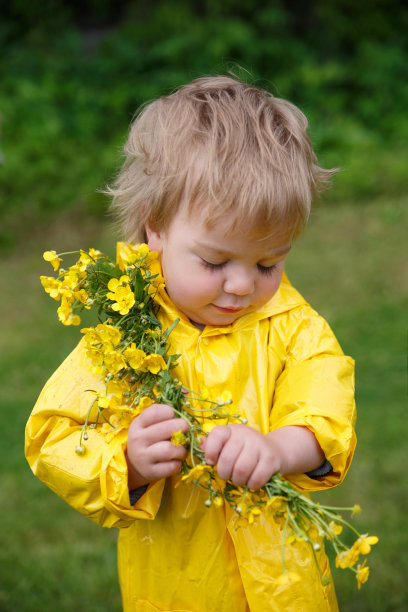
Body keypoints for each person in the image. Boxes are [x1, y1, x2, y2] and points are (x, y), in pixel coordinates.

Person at [25, 75, 356, 611]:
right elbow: (53, 436)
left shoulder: (294, 326)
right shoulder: (126, 334)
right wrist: (127, 463)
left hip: (284, 587)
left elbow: (326, 414)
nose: (244, 285)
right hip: (178, 587)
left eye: (269, 262)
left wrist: (277, 449)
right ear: (155, 228)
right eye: (215, 261)